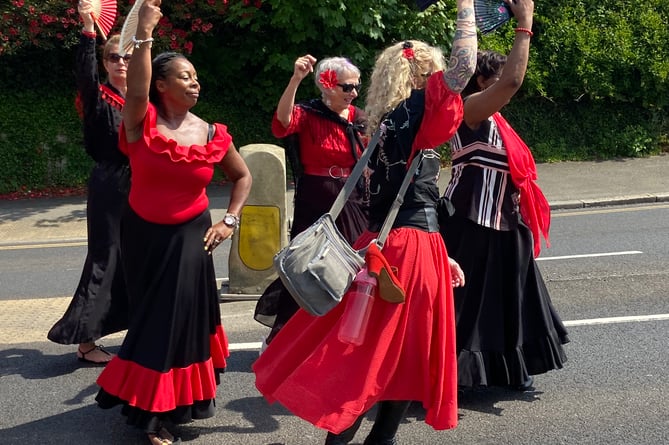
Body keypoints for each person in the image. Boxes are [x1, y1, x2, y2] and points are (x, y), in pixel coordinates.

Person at [253, 1, 477, 443]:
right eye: (432, 72)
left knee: (372, 355)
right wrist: (466, 4)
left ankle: (362, 438)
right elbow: (465, 66)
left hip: (386, 241)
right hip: (411, 249)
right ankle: (374, 439)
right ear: (419, 77)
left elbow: (404, 194)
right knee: (393, 357)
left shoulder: (386, 120)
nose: (442, 83)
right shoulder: (416, 109)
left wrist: (443, 252)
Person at [93, 1, 252, 444]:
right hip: (142, 236)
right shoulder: (140, 121)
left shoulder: (211, 132)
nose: (195, 81)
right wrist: (144, 31)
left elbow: (242, 176)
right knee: (153, 318)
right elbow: (137, 90)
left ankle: (154, 414)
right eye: (185, 75)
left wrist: (229, 221)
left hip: (190, 236)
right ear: (161, 85)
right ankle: (166, 399)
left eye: (196, 75)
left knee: (172, 319)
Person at [439, 0, 569, 391]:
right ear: (482, 82)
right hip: (471, 224)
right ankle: (453, 375)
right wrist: (524, 25)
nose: (508, 81)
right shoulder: (469, 111)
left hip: (507, 224)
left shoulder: (495, 119)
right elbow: (512, 81)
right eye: (496, 75)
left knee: (512, 303)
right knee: (467, 308)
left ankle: (511, 369)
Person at [253, 55, 369, 345]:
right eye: (347, 87)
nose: (353, 93)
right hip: (316, 198)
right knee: (307, 264)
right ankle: (293, 335)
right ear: (327, 85)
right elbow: (283, 120)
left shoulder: (360, 117)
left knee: (354, 264)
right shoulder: (309, 113)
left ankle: (342, 331)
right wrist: (296, 78)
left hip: (353, 197)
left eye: (356, 87)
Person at [47, 0, 130, 365]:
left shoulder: (146, 99)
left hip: (146, 184)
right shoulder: (99, 98)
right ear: (104, 62)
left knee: (141, 255)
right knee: (106, 256)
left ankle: (141, 325)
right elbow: (83, 74)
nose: (121, 63)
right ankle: (85, 339)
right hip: (111, 184)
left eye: (127, 57)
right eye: (114, 58)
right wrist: (86, 29)